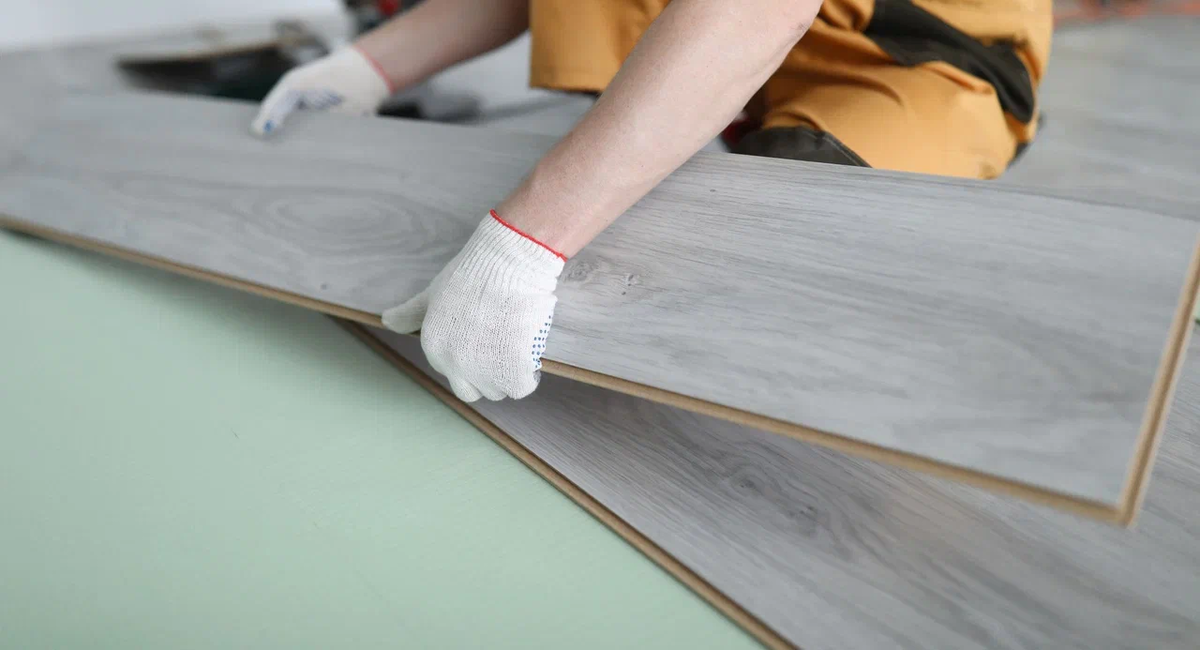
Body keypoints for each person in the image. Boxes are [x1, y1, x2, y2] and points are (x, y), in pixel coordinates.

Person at [251, 0, 1051, 403]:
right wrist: (368, 69)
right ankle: (697, 101)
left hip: (915, 53)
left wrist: (521, 246)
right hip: (762, 31)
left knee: (779, 271)